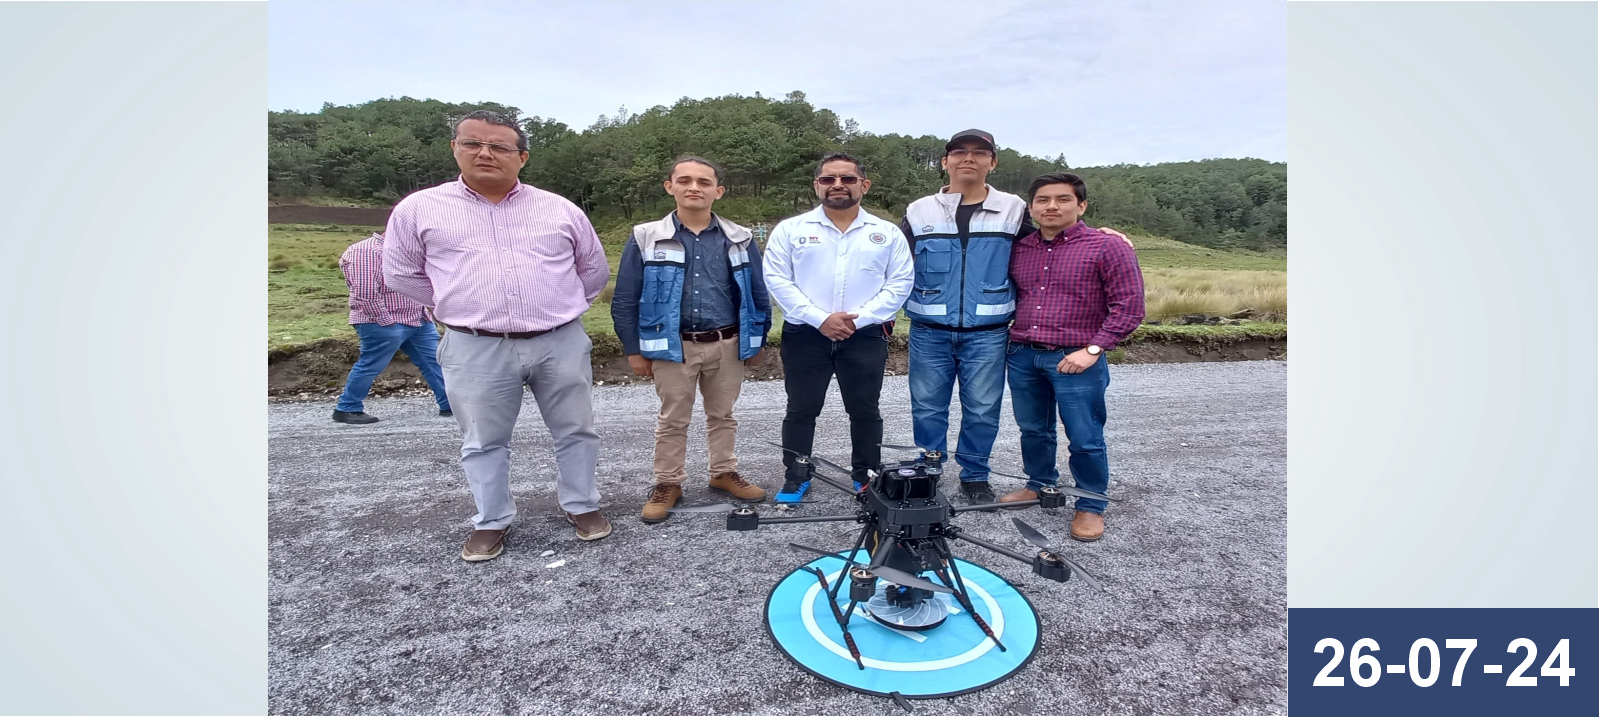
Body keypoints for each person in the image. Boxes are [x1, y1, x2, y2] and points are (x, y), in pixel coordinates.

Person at [383, 110, 612, 561]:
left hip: (559, 340)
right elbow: (401, 272)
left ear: (522, 157)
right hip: (474, 343)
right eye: (472, 143)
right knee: (483, 440)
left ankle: (582, 505)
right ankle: (491, 520)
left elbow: (593, 271)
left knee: (577, 430)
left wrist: (554, 309)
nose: (485, 153)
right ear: (455, 149)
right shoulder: (419, 208)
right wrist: (459, 303)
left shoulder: (559, 208)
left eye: (500, 147)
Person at [611, 156, 771, 523]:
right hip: (671, 345)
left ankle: (723, 471)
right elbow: (624, 298)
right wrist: (634, 350)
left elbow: (757, 293)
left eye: (703, 181)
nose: (693, 187)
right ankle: (668, 482)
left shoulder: (740, 238)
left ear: (719, 190)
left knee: (723, 415)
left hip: (727, 343)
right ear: (670, 187)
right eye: (684, 180)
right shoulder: (645, 236)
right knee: (672, 419)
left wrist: (758, 339)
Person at [999, 173, 1145, 542]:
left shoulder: (1107, 247)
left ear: (1081, 205)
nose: (1052, 206)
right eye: (1043, 200)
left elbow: (1129, 306)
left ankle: (1091, 503)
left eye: (1063, 199)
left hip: (1077, 357)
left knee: (1085, 436)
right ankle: (1040, 484)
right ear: (1031, 208)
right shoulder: (1020, 248)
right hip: (1023, 355)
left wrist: (1094, 349)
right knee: (1033, 429)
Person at [762, 153, 913, 503]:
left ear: (864, 184)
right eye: (828, 179)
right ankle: (797, 474)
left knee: (864, 409)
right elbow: (777, 280)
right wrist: (820, 318)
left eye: (847, 178)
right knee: (801, 409)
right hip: (805, 335)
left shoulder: (886, 233)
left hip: (864, 335)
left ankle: (866, 475)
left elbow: (900, 283)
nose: (837, 185)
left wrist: (856, 318)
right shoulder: (791, 230)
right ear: (817, 185)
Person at [897, 129, 1032, 506]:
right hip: (929, 329)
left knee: (983, 407)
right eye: (959, 152)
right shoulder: (919, 210)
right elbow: (893, 262)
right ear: (945, 161)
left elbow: (1051, 240)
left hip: (988, 332)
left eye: (979, 152)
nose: (968, 158)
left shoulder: (1014, 209)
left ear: (993, 162)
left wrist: (1103, 235)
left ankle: (974, 476)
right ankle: (929, 470)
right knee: (926, 405)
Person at [330, 231, 451, 424]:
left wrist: (427, 313)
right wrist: (385, 321)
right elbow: (364, 292)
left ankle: (450, 404)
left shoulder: (408, 251)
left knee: (435, 361)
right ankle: (347, 408)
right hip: (382, 321)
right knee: (371, 364)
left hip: (417, 319)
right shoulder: (366, 251)